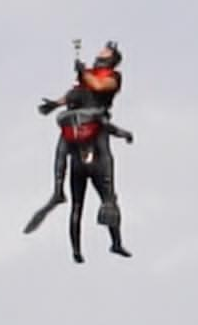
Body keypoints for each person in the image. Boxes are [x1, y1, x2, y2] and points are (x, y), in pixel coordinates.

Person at [24, 41, 131, 262]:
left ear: (111, 58)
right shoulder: (88, 77)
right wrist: (55, 104)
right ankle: (75, 248)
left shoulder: (112, 77)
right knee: (77, 203)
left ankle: (116, 242)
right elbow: (74, 93)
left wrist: (83, 72)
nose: (100, 52)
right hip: (78, 132)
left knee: (107, 198)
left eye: (106, 51)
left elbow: (100, 87)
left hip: (96, 130)